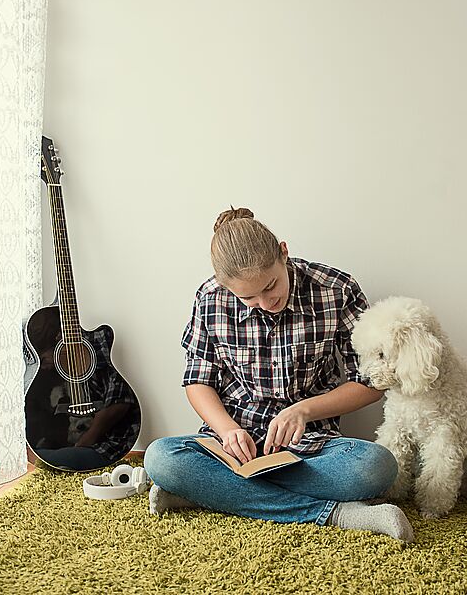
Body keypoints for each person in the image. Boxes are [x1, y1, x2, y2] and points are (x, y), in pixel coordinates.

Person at [143, 207, 413, 541]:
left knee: (377, 467)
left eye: (270, 286)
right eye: (248, 298)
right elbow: (198, 381)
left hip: (312, 447)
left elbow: (373, 381)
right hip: (231, 446)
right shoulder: (209, 298)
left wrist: (303, 410)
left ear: (283, 252)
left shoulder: (336, 289)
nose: (265, 301)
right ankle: (336, 514)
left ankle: (210, 491)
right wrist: (227, 431)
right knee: (160, 458)